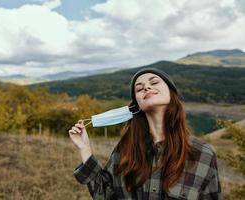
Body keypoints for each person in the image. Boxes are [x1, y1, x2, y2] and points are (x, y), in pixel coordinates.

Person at [68, 68, 222, 200]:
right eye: (139, 88)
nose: (147, 87)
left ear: (171, 92)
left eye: (154, 82)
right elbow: (104, 195)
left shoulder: (203, 153)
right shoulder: (125, 150)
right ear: (137, 105)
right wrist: (85, 149)